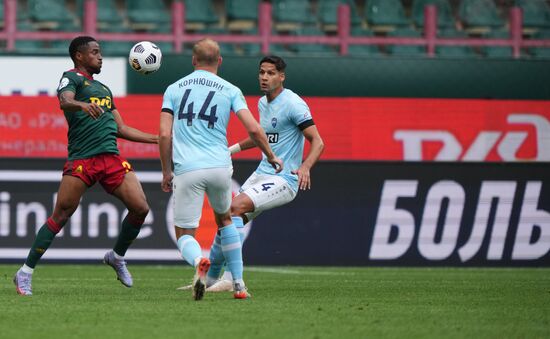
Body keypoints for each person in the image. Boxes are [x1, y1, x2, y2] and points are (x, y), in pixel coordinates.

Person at [13, 36, 159, 296]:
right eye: (94, 52)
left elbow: (121, 128)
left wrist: (157, 139)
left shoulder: (103, 89)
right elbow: (64, 101)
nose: (100, 56)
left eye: (100, 52)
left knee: (141, 208)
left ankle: (116, 256)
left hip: (111, 158)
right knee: (62, 214)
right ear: (79, 56)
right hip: (83, 158)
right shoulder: (72, 78)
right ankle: (25, 272)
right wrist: (82, 105)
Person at [159, 39, 283, 300]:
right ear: (220, 61)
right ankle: (238, 285)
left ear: (193, 61)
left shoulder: (174, 88)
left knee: (184, 234)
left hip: (188, 168)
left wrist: (166, 172)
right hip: (219, 165)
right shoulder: (230, 89)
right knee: (226, 220)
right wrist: (270, 155)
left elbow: (163, 134)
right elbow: (254, 129)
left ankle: (198, 263)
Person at [200, 55, 325, 292]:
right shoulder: (261, 103)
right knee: (225, 219)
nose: (264, 77)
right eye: (261, 73)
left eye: (270, 73)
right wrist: (232, 149)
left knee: (233, 208)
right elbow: (262, 137)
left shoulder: (293, 103)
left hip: (284, 178)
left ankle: (232, 279)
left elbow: (318, 142)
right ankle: (209, 281)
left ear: (281, 77)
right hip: (262, 173)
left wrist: (306, 167)